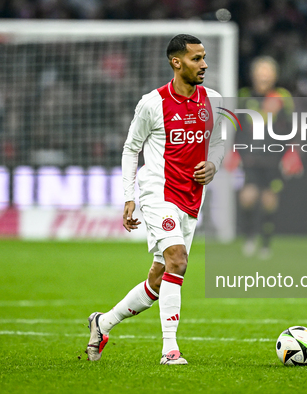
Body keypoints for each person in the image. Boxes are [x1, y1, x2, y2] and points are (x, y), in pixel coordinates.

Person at [85, 34, 224, 365]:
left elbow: (217, 141)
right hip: (158, 192)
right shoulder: (153, 103)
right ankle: (169, 349)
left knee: (159, 279)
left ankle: (102, 323)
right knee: (178, 260)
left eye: (204, 57)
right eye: (195, 59)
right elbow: (131, 148)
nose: (203, 64)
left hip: (191, 197)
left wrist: (214, 163)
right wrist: (129, 197)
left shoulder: (215, 100)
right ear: (176, 63)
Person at [231, 56, 297, 259]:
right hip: (251, 157)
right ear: (253, 75)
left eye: (267, 71)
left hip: (274, 158)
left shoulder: (282, 97)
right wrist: (234, 151)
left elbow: (292, 127)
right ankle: (250, 236)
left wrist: (292, 152)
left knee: (269, 200)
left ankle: (266, 243)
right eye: (260, 71)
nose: (263, 75)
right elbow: (237, 126)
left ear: (274, 76)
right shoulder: (244, 96)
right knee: (248, 197)